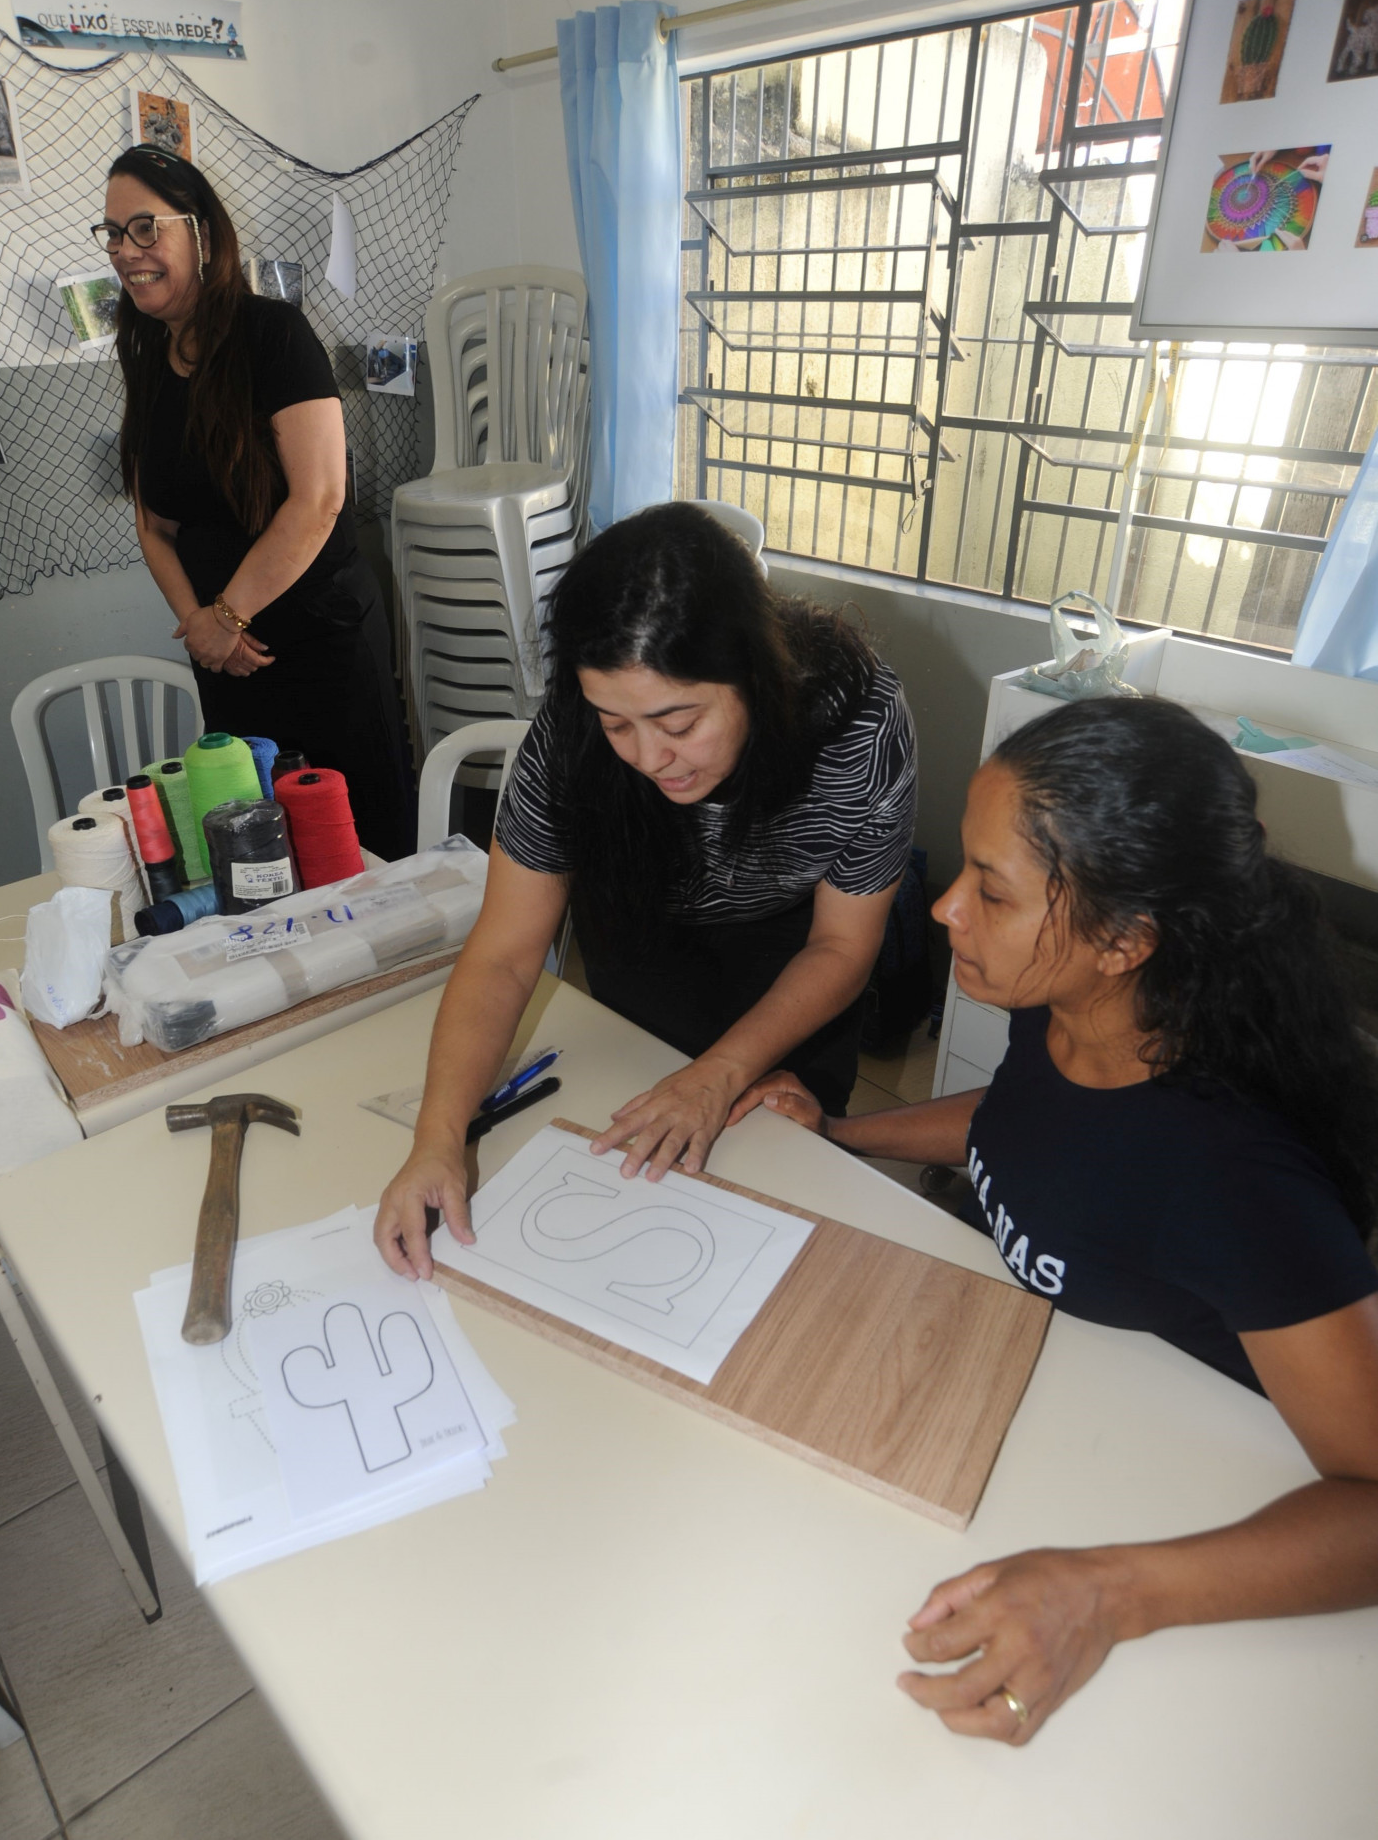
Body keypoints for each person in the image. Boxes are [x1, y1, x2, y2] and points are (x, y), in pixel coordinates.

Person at [731, 697, 1378, 1744]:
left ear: (1122, 939)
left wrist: (1109, 1595)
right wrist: (841, 1134)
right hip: (1042, 1415)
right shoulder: (1063, 1009)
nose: (946, 908)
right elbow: (1018, 1124)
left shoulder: (1230, 1175)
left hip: (1185, 1506)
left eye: (991, 890)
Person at [374, 502, 917, 1278]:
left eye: (679, 722)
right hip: (644, 932)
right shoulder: (568, 740)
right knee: (643, 1174)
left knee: (772, 1202)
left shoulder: (857, 724)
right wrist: (435, 1140)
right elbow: (503, 955)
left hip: (794, 956)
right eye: (617, 724)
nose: (650, 756)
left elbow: (842, 944)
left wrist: (721, 1072)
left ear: (752, 673)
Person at [103, 145, 412, 857]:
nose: (125, 251)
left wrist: (225, 616)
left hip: (321, 644)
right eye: (114, 234)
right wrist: (202, 627)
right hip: (225, 659)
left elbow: (320, 497)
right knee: (256, 853)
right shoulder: (147, 358)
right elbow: (154, 524)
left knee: (361, 847)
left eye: (145, 228)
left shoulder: (274, 333)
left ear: (202, 234)